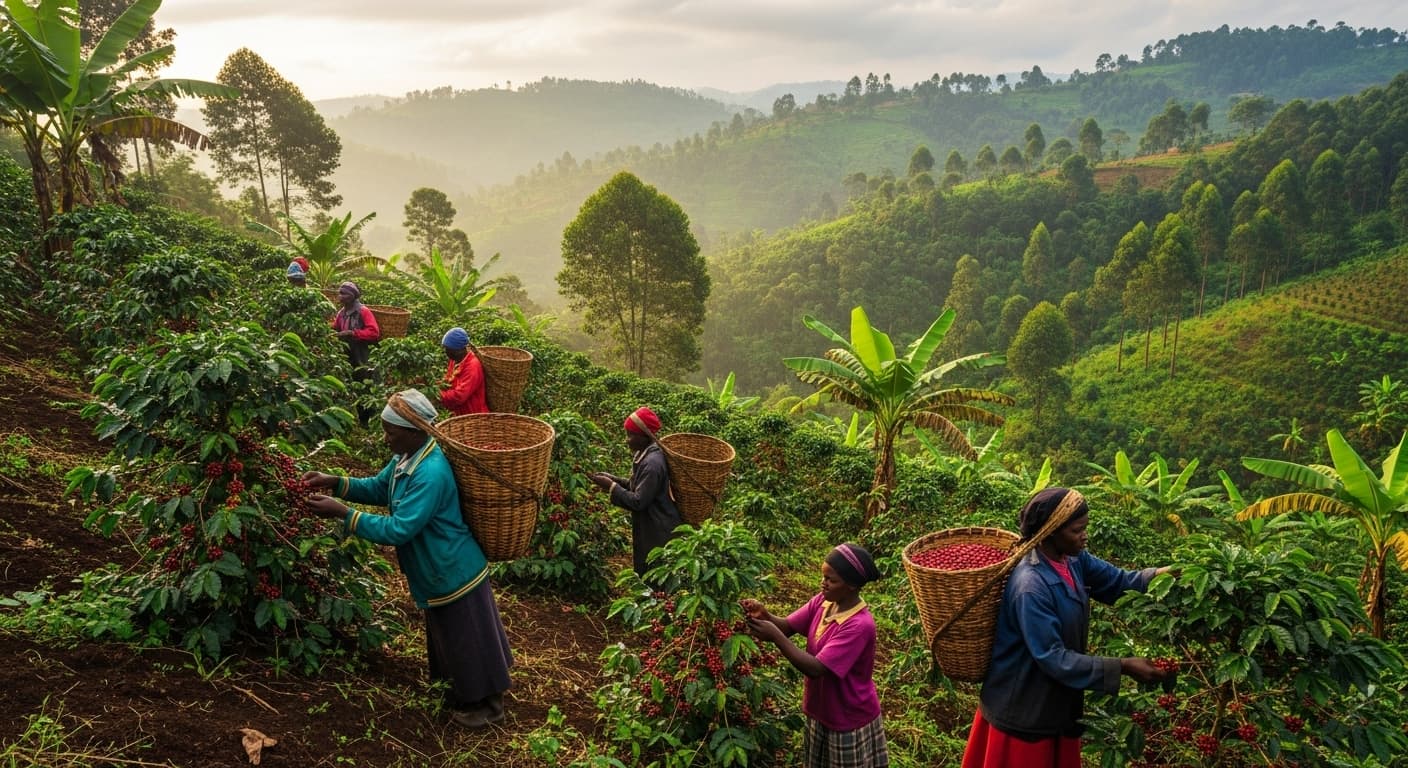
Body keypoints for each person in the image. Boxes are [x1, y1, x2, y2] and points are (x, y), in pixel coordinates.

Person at [302, 389, 513, 729]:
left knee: (468, 637)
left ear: (414, 432)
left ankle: (489, 708)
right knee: (453, 637)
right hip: (436, 568)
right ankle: (462, 692)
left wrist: (344, 514)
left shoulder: (430, 473)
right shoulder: (407, 457)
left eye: (390, 432)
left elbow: (399, 529)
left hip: (453, 569)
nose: (385, 438)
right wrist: (335, 482)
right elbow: (376, 488)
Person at [961, 487, 1174, 768]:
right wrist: (1122, 665)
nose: (1084, 536)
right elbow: (1053, 657)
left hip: (1054, 706)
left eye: (1084, 528)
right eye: (1077, 530)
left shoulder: (1073, 559)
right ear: (1051, 532)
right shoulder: (1031, 586)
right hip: (1024, 710)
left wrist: (1165, 574)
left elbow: (1119, 582)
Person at [741, 543, 889, 768]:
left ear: (851, 585)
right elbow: (788, 626)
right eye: (823, 576)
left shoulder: (859, 625)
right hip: (820, 710)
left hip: (847, 718)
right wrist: (766, 615)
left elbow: (816, 668)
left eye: (831, 580)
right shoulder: (824, 602)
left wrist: (775, 637)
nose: (824, 583)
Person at [588, 406, 682, 579]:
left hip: (660, 531)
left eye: (630, 435)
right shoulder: (644, 454)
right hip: (651, 524)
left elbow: (638, 501)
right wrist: (613, 479)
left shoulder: (653, 464)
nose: (627, 440)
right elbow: (636, 486)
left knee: (655, 575)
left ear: (644, 437)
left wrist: (611, 486)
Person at [330, 281, 381, 425]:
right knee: (352, 385)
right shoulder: (342, 313)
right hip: (348, 355)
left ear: (352, 296)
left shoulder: (363, 311)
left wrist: (353, 333)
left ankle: (368, 419)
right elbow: (335, 328)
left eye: (344, 294)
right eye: (339, 293)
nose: (340, 296)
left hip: (362, 355)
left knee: (365, 386)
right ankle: (358, 418)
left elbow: (374, 332)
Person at [438, 327, 487, 415]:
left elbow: (459, 396)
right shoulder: (454, 360)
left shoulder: (472, 366)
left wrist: (438, 395)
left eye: (448, 349)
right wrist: (435, 385)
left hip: (473, 415)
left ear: (459, 350)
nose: (446, 352)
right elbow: (448, 380)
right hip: (458, 413)